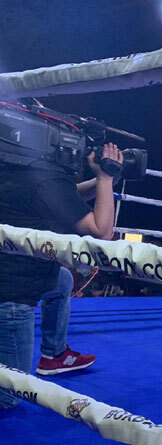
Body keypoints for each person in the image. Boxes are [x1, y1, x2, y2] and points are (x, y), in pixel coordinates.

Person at [0, 142, 122, 408]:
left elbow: (68, 196)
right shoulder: (45, 180)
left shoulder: (22, 172)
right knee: (8, 396)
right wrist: (105, 178)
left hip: (12, 276)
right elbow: (102, 231)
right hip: (12, 294)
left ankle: (53, 354)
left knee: (63, 280)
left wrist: (104, 179)